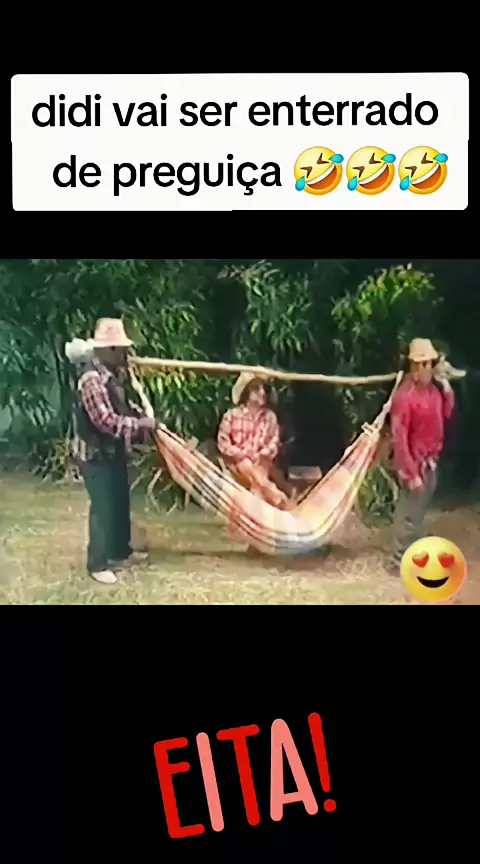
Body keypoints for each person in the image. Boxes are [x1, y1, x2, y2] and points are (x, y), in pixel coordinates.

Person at [71, 319, 157, 584]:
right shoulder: (92, 381)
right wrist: (141, 425)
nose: (126, 354)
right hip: (94, 454)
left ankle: (120, 553)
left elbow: (122, 407)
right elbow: (106, 421)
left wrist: (139, 416)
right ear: (108, 350)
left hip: (112, 450)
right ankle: (97, 564)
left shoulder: (113, 376)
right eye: (122, 349)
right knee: (102, 506)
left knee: (120, 500)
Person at [389, 338, 455, 572]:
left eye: (429, 363)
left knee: (418, 512)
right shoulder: (405, 396)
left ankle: (413, 554)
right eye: (423, 364)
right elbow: (399, 437)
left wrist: (447, 387)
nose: (427, 369)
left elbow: (447, 413)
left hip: (430, 461)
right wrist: (410, 473)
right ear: (414, 366)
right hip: (414, 463)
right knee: (408, 513)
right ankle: (398, 560)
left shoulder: (434, 392)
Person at [217, 373, 289, 509]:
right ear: (246, 392)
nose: (262, 393)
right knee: (245, 464)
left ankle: (259, 503)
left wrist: (262, 454)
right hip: (238, 464)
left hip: (262, 463)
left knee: (257, 481)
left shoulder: (270, 417)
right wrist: (243, 454)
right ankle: (274, 495)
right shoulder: (231, 415)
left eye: (265, 389)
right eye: (256, 388)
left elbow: (273, 443)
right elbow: (223, 443)